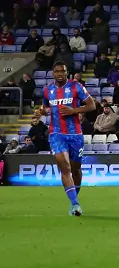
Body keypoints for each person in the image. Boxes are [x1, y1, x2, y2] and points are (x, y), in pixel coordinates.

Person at [42, 62, 95, 216]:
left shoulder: (76, 87)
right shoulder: (47, 90)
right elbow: (45, 107)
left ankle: (74, 199)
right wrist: (42, 112)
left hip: (75, 134)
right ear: (52, 73)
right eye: (57, 71)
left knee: (76, 169)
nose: (60, 74)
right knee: (65, 168)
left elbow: (91, 105)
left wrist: (75, 110)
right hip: (56, 133)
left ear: (67, 73)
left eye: (62, 71)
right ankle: (75, 204)